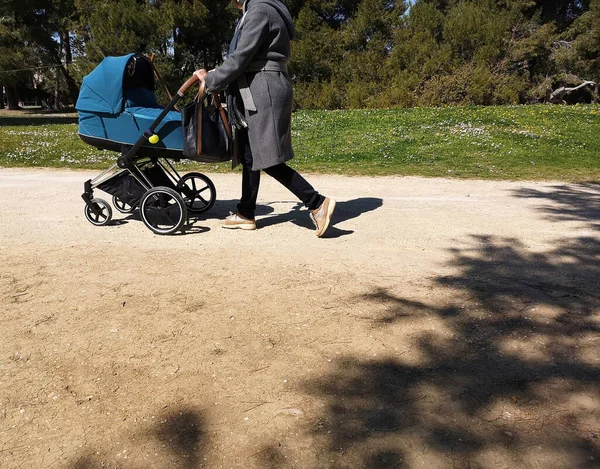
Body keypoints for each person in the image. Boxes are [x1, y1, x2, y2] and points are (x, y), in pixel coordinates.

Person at [194, 0, 336, 237]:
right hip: (262, 85)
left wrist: (211, 79)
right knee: (251, 154)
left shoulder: (259, 10)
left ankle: (316, 202)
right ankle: (246, 213)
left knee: (267, 156)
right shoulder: (262, 8)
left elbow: (241, 56)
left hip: (263, 87)